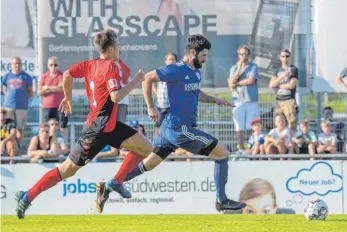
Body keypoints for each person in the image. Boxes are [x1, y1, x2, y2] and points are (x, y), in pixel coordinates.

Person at [15, 29, 153, 219]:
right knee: (66, 170)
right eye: (119, 45)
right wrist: (136, 81)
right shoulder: (111, 67)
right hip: (97, 130)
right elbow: (116, 96)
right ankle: (27, 196)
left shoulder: (89, 65)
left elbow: (67, 76)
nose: (120, 48)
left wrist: (68, 98)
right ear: (111, 49)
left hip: (110, 125)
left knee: (146, 149)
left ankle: (114, 184)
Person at [108, 34, 246, 212]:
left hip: (169, 128)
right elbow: (147, 78)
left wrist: (215, 100)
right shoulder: (176, 69)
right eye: (203, 55)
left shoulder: (196, 71)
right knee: (222, 153)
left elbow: (197, 93)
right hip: (181, 130)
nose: (205, 59)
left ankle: (113, 183)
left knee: (149, 164)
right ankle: (222, 200)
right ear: (193, 52)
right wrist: (151, 107)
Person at [228, 45, 260, 154]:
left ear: (248, 55)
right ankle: (241, 149)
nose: (243, 56)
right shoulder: (233, 68)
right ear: (238, 55)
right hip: (238, 100)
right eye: (241, 54)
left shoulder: (253, 66)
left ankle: (254, 147)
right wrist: (238, 70)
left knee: (254, 124)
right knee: (239, 125)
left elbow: (251, 80)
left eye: (245, 54)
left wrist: (237, 83)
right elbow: (231, 82)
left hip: (251, 99)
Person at [1, 56, 33, 145]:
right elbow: (4, 89)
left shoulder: (26, 77)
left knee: (20, 129)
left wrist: (22, 100)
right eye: (15, 63)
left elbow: (30, 92)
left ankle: (18, 147)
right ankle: (7, 147)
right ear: (11, 65)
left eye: (19, 63)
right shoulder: (7, 76)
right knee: (8, 128)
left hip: (21, 108)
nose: (17, 65)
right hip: (8, 107)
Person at [269, 49, 298, 136]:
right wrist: (282, 77)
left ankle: (291, 144)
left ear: (290, 57)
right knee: (278, 123)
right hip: (278, 100)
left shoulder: (293, 69)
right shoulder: (277, 70)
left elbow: (291, 85)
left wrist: (279, 85)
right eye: (283, 56)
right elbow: (271, 84)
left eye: (287, 56)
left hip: (289, 100)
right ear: (280, 57)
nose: (285, 58)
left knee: (291, 123)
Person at [38, 57, 68, 139]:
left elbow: (61, 88)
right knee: (46, 127)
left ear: (58, 66)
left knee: (62, 126)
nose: (53, 67)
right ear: (48, 65)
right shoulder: (44, 76)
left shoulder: (61, 75)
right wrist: (54, 88)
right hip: (47, 107)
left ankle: (64, 148)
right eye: (51, 65)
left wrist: (47, 87)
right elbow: (39, 92)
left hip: (61, 106)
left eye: (55, 65)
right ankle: (49, 147)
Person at [153, 53, 177, 137]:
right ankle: (156, 147)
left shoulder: (178, 73)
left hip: (172, 106)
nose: (171, 61)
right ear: (166, 61)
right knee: (158, 128)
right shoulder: (160, 71)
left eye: (173, 59)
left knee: (171, 128)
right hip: (161, 104)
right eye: (169, 59)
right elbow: (151, 81)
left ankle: (170, 148)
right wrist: (156, 93)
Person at [115, 58, 131, 123]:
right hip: (110, 101)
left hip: (122, 101)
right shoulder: (106, 66)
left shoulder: (125, 67)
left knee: (121, 123)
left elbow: (128, 82)